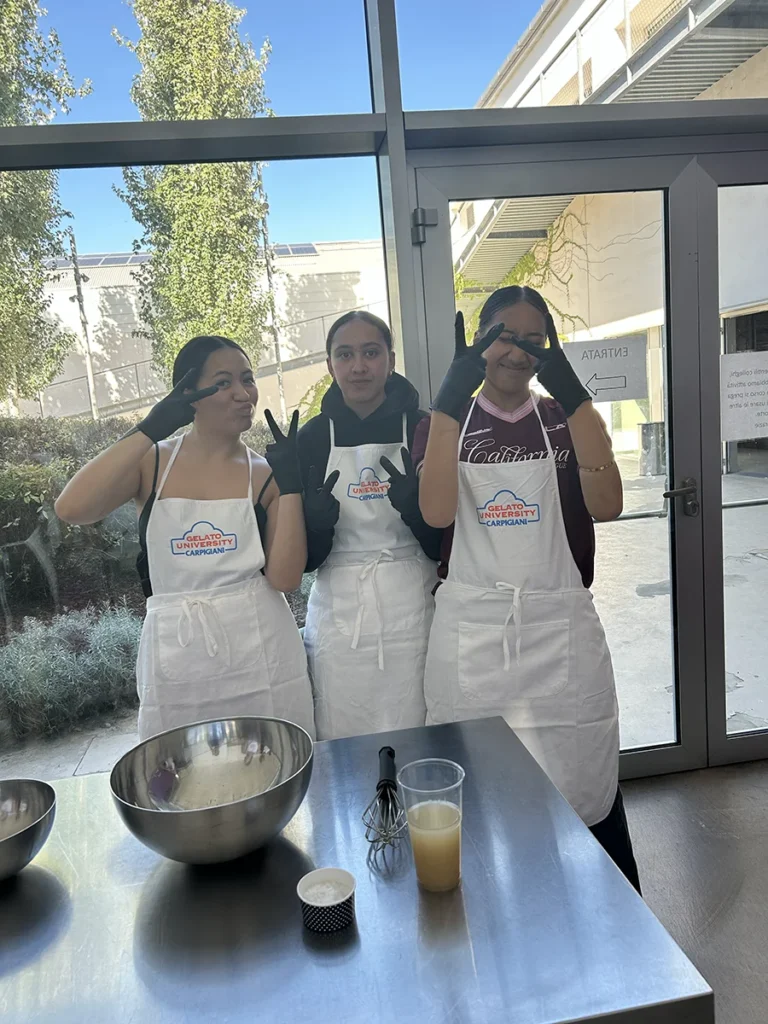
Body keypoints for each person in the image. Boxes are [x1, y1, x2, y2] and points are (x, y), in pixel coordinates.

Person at [413, 286, 640, 891]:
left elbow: (608, 504)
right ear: (478, 341)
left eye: (533, 340)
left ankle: (605, 922)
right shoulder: (443, 423)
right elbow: (437, 513)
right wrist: (446, 406)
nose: (517, 352)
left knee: (583, 786)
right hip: (473, 638)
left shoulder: (565, 420)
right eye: (503, 337)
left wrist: (576, 398)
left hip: (559, 630)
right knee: (479, 796)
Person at [55, 334, 315, 741]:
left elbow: (285, 579)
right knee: (178, 770)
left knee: (272, 761)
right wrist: (149, 429)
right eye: (223, 382)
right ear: (188, 394)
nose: (242, 393)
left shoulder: (266, 474)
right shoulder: (152, 462)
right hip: (178, 655)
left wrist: (293, 486)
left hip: (262, 652)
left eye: (247, 379)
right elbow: (72, 508)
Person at [298, 310, 442, 740]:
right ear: (330, 365)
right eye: (345, 355)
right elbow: (305, 561)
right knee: (343, 734)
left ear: (391, 361)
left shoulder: (425, 429)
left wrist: (417, 511)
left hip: (416, 608)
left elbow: (446, 545)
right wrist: (316, 525)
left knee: (419, 734)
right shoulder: (311, 439)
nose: (358, 366)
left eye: (371, 353)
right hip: (340, 616)